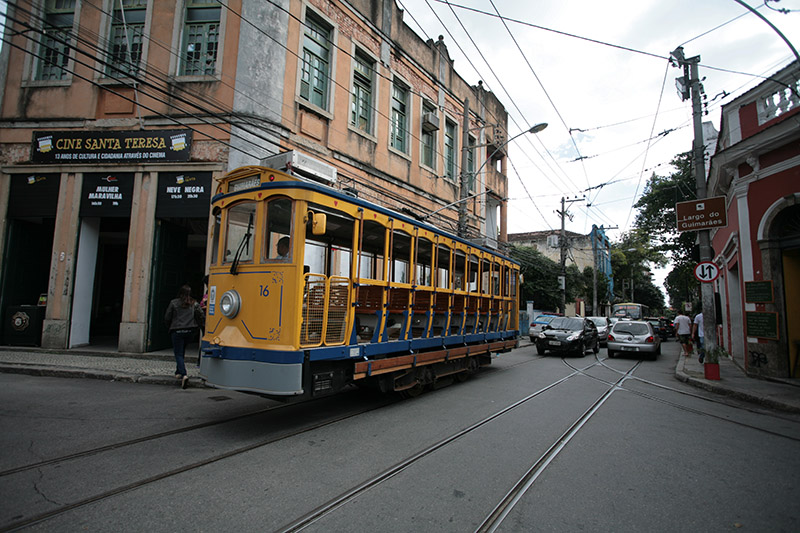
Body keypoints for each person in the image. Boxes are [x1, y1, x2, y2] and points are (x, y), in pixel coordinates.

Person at [164, 284, 202, 389]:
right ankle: (178, 372)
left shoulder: (174, 303)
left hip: (177, 331)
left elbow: (167, 317)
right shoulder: (194, 304)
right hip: (190, 331)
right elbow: (200, 316)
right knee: (181, 351)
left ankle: (184, 374)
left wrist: (170, 326)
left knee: (178, 353)